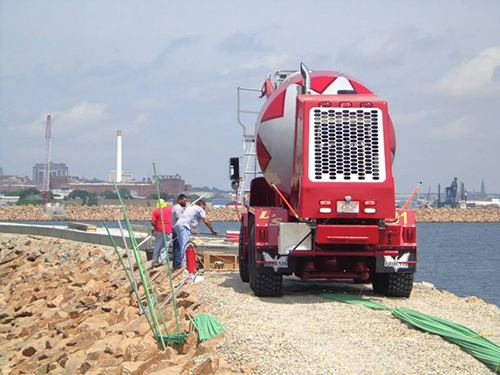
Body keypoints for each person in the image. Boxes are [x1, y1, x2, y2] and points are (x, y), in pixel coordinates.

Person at [174, 200, 217, 270]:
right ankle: (184, 264)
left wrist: (191, 230)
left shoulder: (190, 208)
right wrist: (212, 230)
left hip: (179, 225)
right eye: (204, 207)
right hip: (183, 226)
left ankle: (182, 263)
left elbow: (188, 219)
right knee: (185, 245)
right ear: (201, 205)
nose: (204, 209)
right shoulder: (199, 208)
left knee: (182, 245)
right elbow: (205, 221)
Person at [151, 199, 172, 267]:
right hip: (168, 230)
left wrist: (155, 226)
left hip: (159, 229)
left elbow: (153, 222)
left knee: (157, 245)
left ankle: (154, 261)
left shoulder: (156, 211)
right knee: (166, 245)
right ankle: (164, 260)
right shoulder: (170, 209)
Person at [171, 194, 187, 269]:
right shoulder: (177, 208)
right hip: (177, 229)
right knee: (178, 246)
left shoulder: (177, 207)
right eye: (184, 201)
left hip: (175, 228)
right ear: (180, 200)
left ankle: (176, 263)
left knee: (176, 246)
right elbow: (179, 220)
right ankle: (177, 263)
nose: (185, 202)